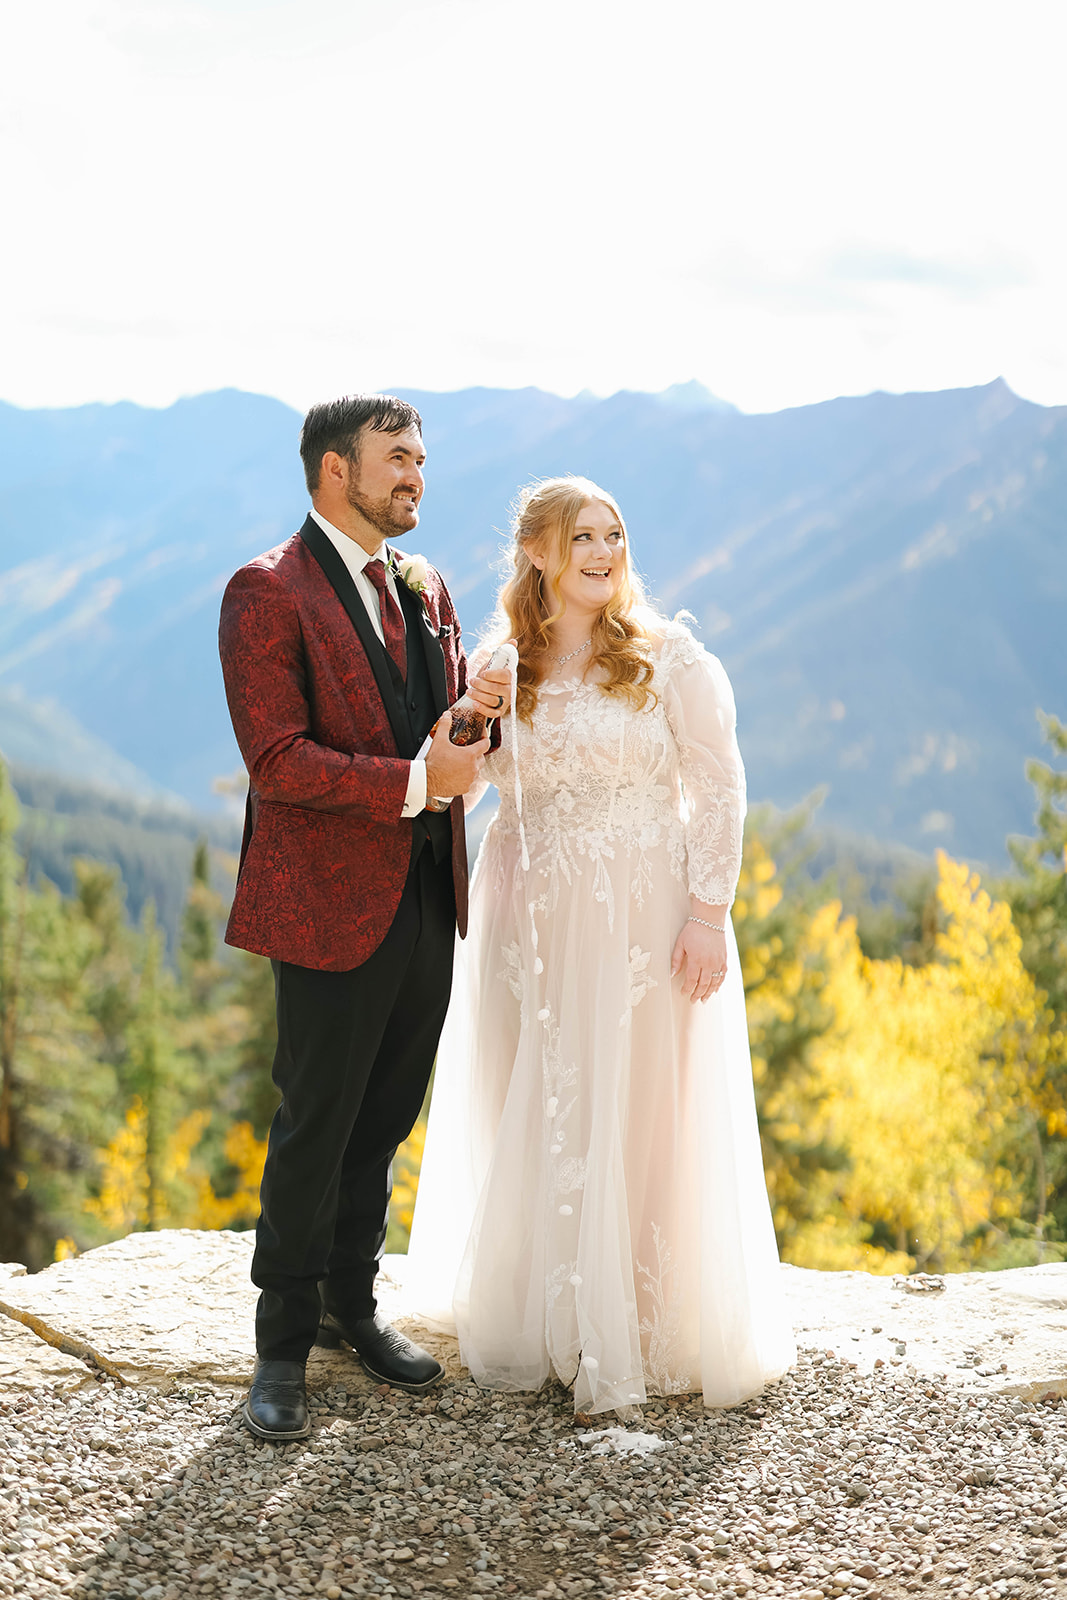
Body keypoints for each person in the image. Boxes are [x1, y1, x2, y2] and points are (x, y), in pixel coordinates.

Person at [407, 475, 795, 1418]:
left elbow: (720, 788)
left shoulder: (671, 659)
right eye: (582, 535)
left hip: (643, 914)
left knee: (640, 1100)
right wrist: (475, 708)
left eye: (614, 533)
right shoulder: (503, 663)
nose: (602, 551)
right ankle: (552, 1310)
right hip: (526, 915)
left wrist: (708, 913)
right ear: (537, 551)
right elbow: (460, 780)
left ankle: (645, 1318)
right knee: (531, 1093)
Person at [218, 393, 511, 1441]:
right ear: (334, 470)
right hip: (327, 908)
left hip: (429, 889)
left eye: (421, 459)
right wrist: (411, 780)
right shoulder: (265, 590)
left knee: (384, 1117)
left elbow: (431, 725)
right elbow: (277, 761)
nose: (416, 477)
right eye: (397, 459)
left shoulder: (424, 585)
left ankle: (351, 1308)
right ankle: (281, 1345)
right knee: (314, 1125)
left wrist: (476, 718)